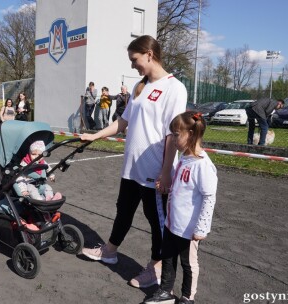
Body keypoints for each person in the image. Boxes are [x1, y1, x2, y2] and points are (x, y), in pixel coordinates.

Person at [79, 35, 187, 289]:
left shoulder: (175, 88)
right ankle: (109, 251)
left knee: (155, 220)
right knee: (123, 211)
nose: (132, 65)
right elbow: (122, 123)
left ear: (149, 54)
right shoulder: (141, 87)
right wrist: (95, 135)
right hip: (132, 168)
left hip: (155, 171)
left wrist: (166, 171)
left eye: (134, 59)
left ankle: (156, 268)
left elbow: (173, 134)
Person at [143, 111, 218, 304]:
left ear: (191, 134)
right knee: (167, 257)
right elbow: (180, 185)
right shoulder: (184, 158)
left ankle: (187, 297)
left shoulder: (203, 165)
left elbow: (209, 197)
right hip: (172, 223)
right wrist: (166, 185)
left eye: (177, 135)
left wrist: (201, 228)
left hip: (189, 229)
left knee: (188, 264)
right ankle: (166, 291)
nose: (173, 139)